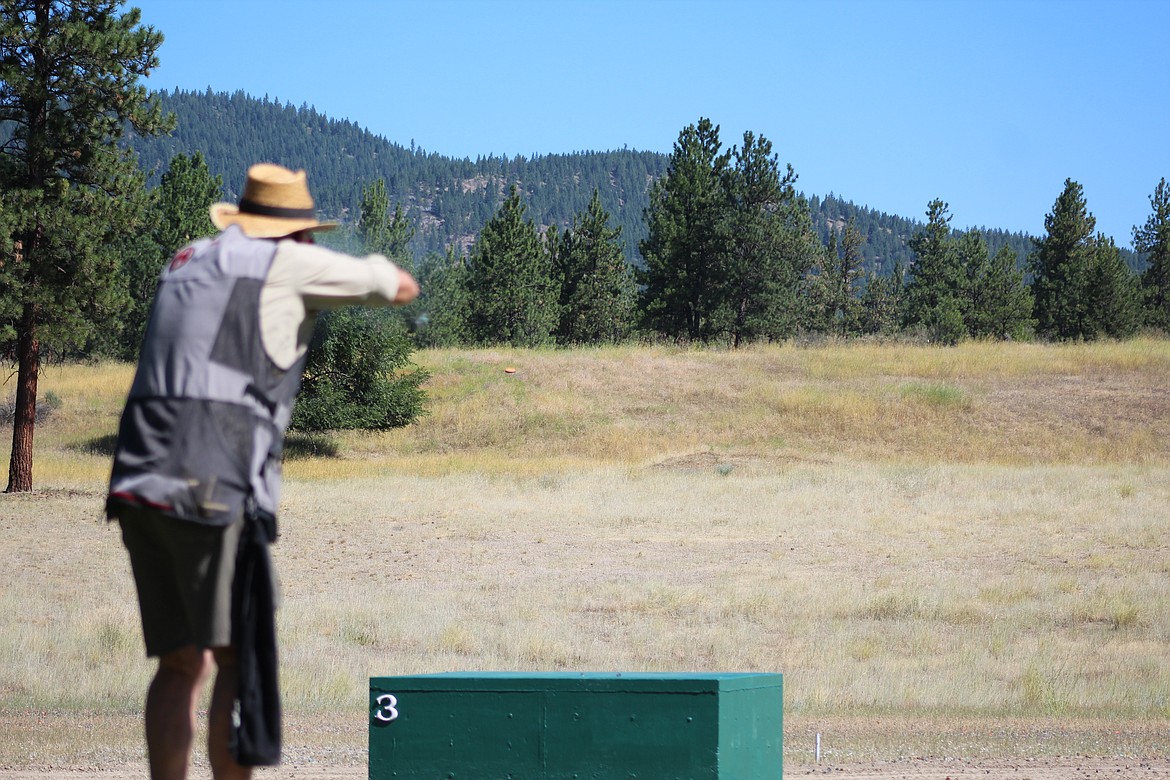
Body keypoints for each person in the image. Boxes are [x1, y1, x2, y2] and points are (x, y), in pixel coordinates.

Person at [106, 163, 419, 780]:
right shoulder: (286, 262)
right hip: (211, 478)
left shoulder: (189, 257)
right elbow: (398, 286)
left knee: (177, 665)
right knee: (234, 659)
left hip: (138, 474)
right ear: (296, 233)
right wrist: (331, 267)